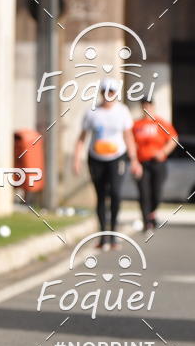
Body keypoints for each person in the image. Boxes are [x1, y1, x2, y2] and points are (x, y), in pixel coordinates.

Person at [73, 78, 142, 250]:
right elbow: (82, 138)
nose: (108, 95)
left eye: (111, 92)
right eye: (105, 91)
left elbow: (129, 137)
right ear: (101, 92)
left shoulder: (123, 111)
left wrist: (134, 160)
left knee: (116, 194)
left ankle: (113, 235)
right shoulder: (92, 112)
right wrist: (76, 159)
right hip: (96, 158)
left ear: (116, 94)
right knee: (101, 196)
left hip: (117, 157)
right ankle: (103, 235)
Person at [132, 98, 178, 231]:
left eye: (149, 105)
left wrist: (163, 152)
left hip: (158, 163)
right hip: (142, 163)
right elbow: (131, 142)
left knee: (156, 192)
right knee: (143, 193)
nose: (147, 108)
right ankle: (147, 222)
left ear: (153, 107)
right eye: (144, 105)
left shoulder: (160, 123)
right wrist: (134, 160)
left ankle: (152, 214)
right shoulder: (136, 124)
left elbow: (174, 138)